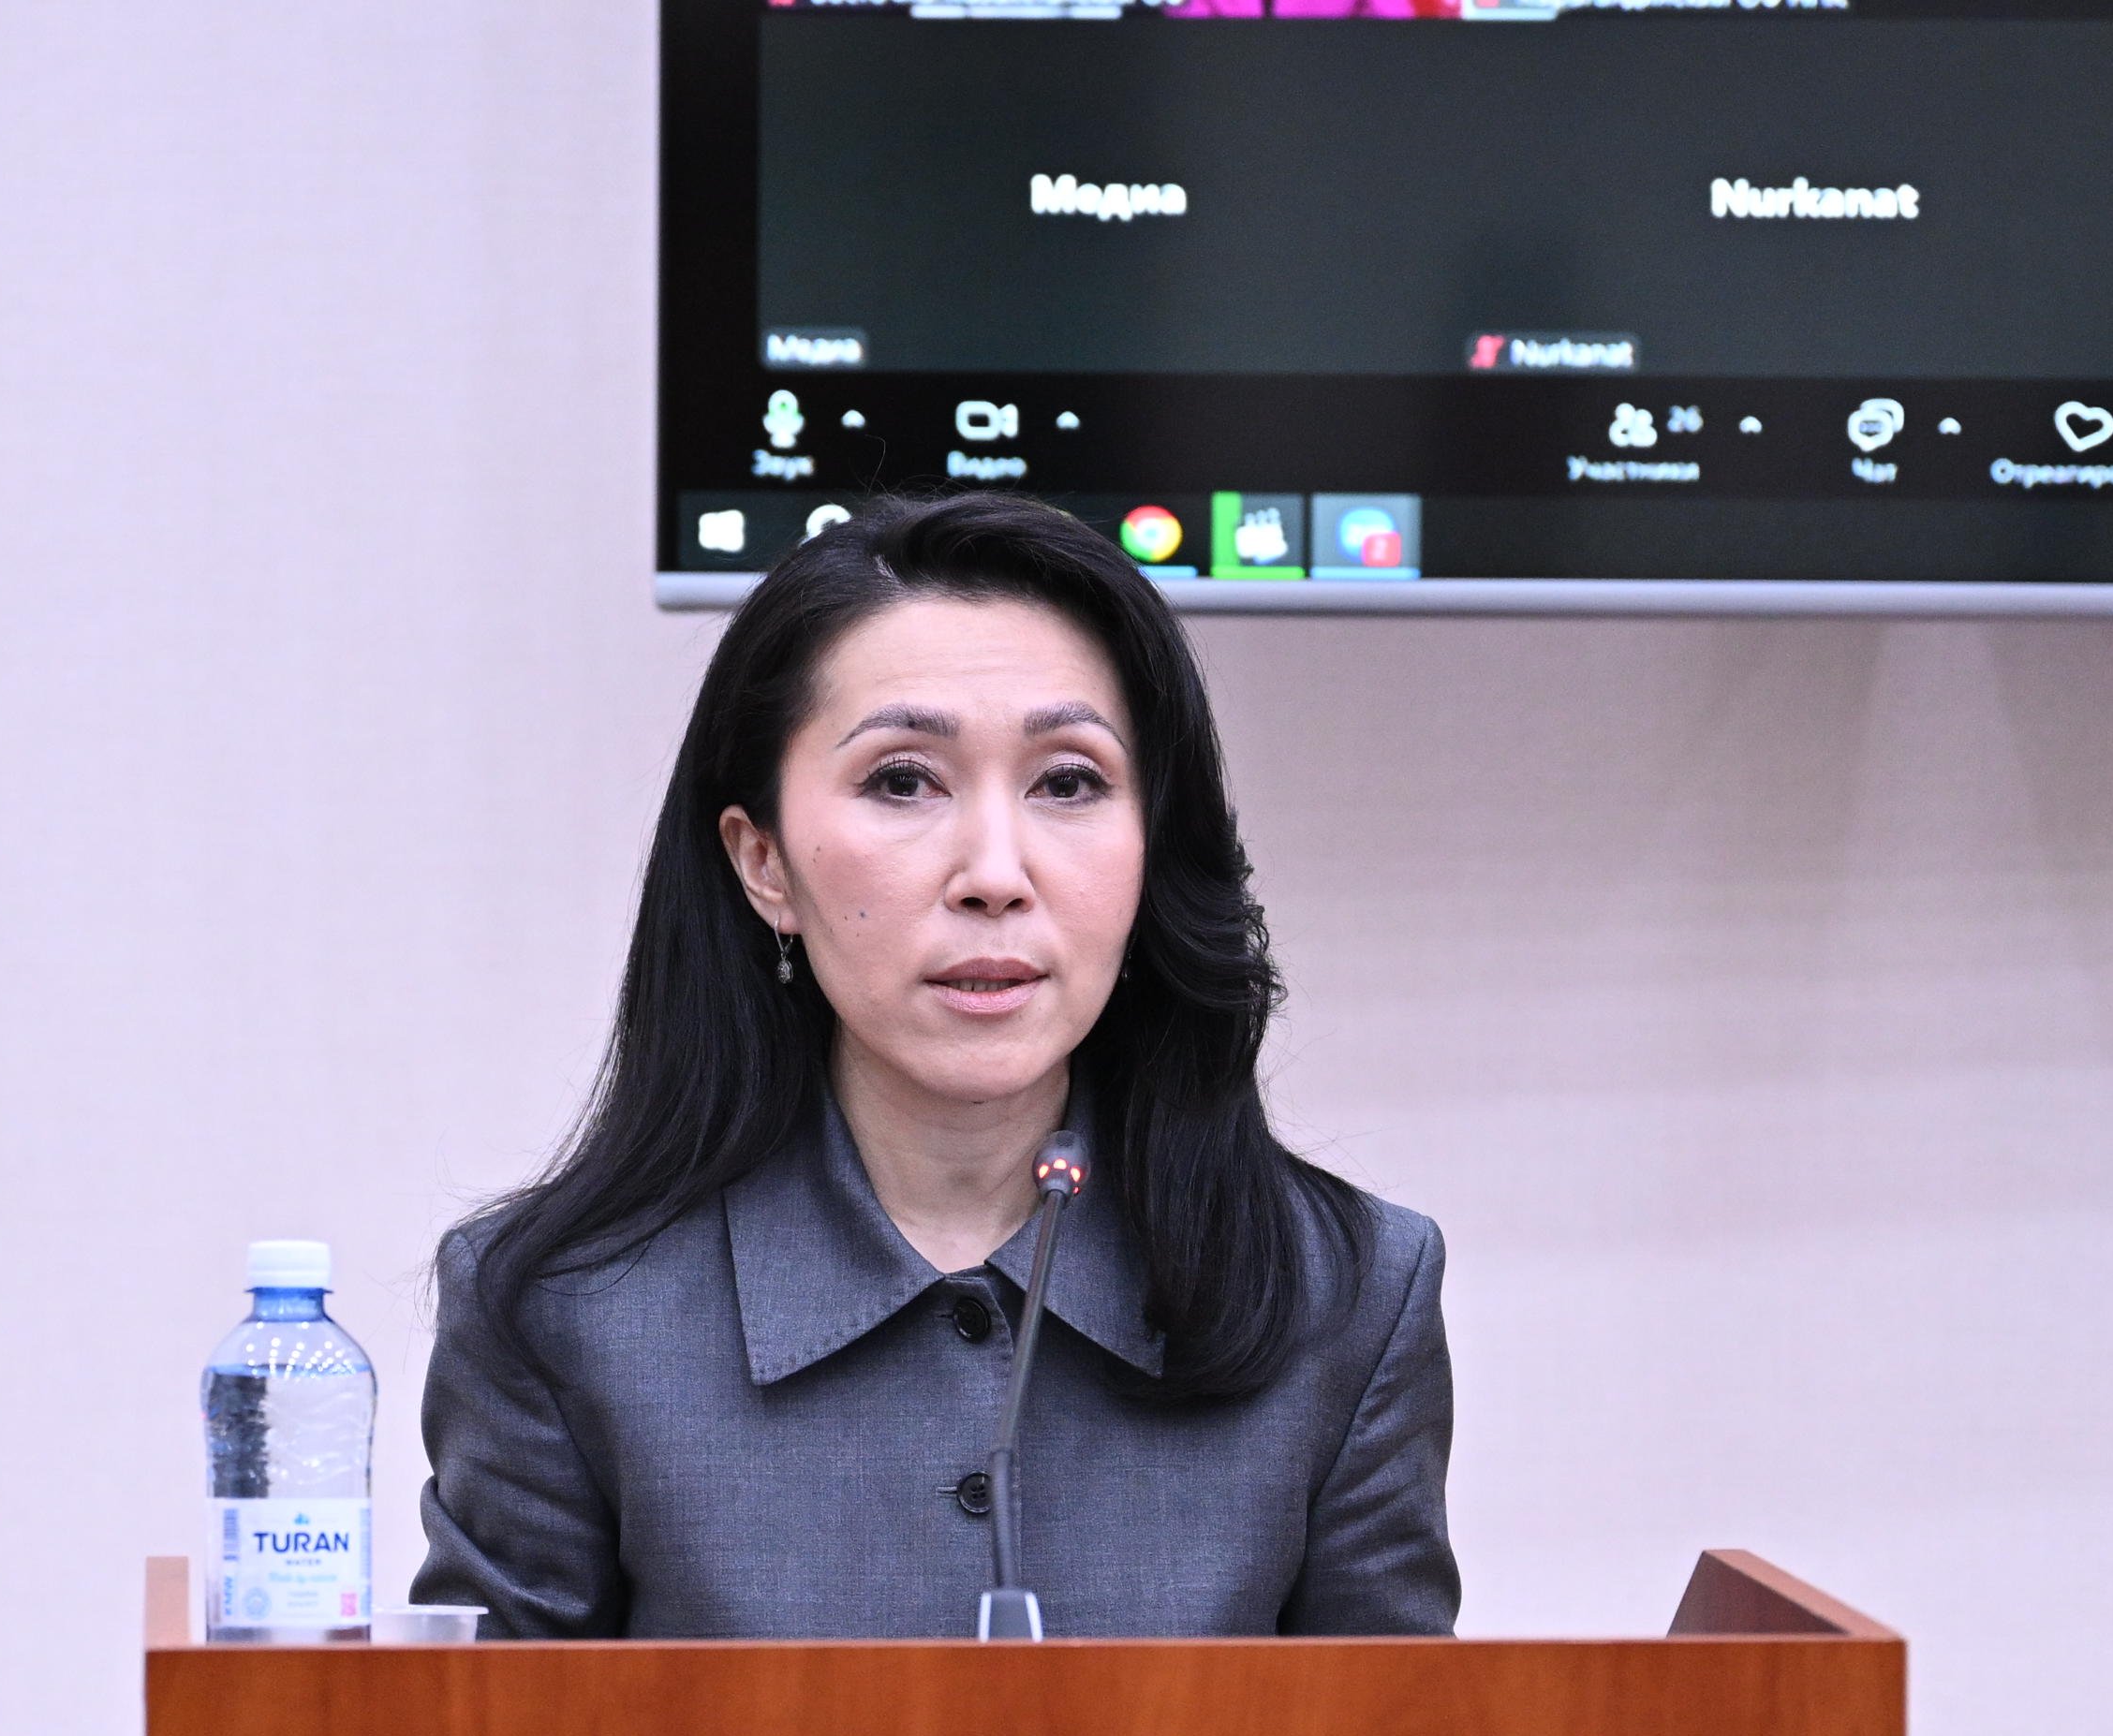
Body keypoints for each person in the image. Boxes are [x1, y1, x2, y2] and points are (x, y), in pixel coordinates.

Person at [413, 493, 1456, 1639]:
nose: (994, 874)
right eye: (903, 781)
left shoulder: (1349, 1295)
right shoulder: (562, 1312)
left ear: (1152, 847)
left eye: (1068, 782)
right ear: (763, 863)